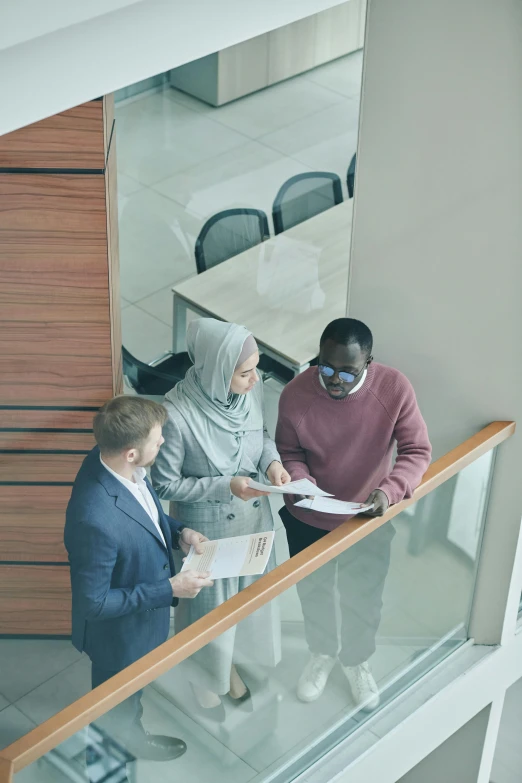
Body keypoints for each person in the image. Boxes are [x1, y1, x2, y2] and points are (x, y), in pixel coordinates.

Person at [276, 318, 431, 710]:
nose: (334, 380)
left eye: (348, 371)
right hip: (309, 516)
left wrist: (389, 490)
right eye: (325, 367)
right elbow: (289, 452)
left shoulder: (394, 388)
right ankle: (322, 654)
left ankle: (357, 661)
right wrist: (301, 481)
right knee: (314, 593)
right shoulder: (296, 394)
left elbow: (416, 450)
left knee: (363, 598)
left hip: (367, 517)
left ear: (369, 363)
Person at [152, 318, 290, 716]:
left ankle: (231, 666)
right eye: (245, 373)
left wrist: (273, 464)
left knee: (249, 601)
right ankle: (205, 677)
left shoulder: (250, 392)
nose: (254, 381)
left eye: (255, 370)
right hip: (208, 533)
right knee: (209, 612)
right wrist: (224, 486)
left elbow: (261, 435)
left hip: (253, 522)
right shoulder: (176, 415)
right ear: (216, 369)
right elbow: (164, 486)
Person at [64, 395, 213, 761]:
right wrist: (169, 589)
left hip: (140, 628)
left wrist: (179, 533)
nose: (162, 442)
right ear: (131, 452)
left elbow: (145, 517)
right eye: (156, 439)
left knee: (130, 698)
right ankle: (105, 764)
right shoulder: (93, 518)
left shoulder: (119, 465)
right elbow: (94, 603)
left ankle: (131, 740)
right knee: (113, 708)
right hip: (118, 638)